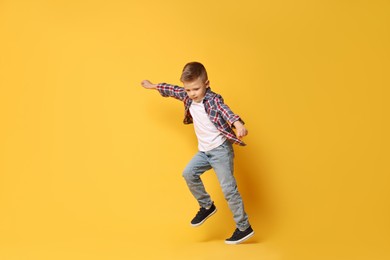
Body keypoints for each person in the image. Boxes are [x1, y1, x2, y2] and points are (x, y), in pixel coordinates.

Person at [141, 62, 254, 245]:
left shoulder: (213, 99)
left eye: (196, 89)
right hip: (204, 152)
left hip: (220, 151)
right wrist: (153, 86)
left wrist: (238, 124)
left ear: (206, 84)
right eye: (188, 90)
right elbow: (172, 89)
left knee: (228, 189)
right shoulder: (187, 97)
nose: (192, 93)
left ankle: (243, 227)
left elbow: (227, 112)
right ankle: (207, 206)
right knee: (188, 173)